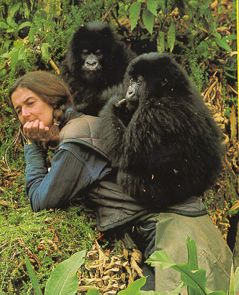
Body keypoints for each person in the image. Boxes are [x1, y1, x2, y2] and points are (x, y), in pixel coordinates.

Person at [10, 71, 232, 293]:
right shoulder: (86, 126)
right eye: (18, 110)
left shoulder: (76, 139)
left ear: (52, 100)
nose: (25, 114)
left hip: (179, 236)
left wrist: (31, 146)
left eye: (30, 103)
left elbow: (40, 199)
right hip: (180, 230)